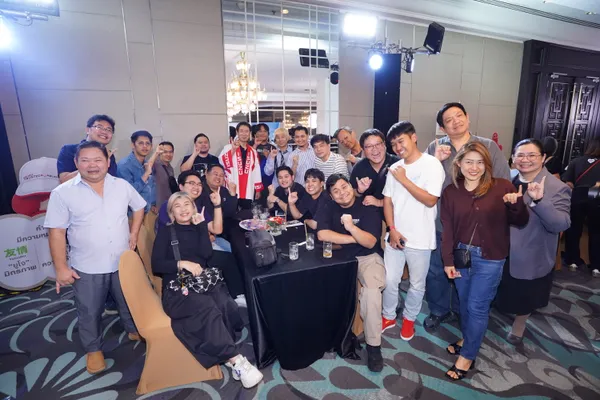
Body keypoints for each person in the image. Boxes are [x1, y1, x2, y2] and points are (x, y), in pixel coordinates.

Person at [44, 141, 145, 374]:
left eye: (98, 160)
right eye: (85, 160)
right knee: (89, 310)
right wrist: (61, 268)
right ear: (76, 163)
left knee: (128, 300)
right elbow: (56, 232)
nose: (92, 165)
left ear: (107, 162)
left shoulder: (121, 186)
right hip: (87, 265)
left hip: (122, 260)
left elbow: (139, 207)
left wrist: (134, 233)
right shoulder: (62, 193)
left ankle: (132, 328)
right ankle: (93, 349)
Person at [151, 192, 263, 389]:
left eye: (187, 204)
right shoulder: (166, 232)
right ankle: (236, 361)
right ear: (171, 213)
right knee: (207, 306)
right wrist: (181, 263)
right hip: (177, 290)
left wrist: (202, 226)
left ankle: (225, 352)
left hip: (200, 284)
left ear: (193, 208)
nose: (183, 209)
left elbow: (206, 255)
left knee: (225, 303)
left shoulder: (198, 227)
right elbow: (156, 264)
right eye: (178, 206)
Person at [440, 142, 528, 380]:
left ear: (487, 165)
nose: (474, 167)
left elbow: (521, 221)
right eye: (469, 161)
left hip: (491, 258)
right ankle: (468, 338)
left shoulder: (502, 187)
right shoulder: (451, 192)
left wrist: (516, 204)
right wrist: (447, 261)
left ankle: (467, 356)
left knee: (477, 307)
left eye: (480, 162)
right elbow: (448, 230)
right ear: (459, 163)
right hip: (461, 255)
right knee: (465, 303)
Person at [423, 102, 511, 331]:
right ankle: (438, 310)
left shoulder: (488, 146)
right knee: (437, 269)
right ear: (442, 128)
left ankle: (464, 311)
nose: (455, 122)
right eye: (448, 120)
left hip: (475, 226)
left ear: (467, 117)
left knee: (468, 271)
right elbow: (423, 183)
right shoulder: (435, 147)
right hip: (443, 222)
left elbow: (503, 182)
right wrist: (435, 161)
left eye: (459, 115)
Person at [496, 139, 571, 344]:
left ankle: (519, 324)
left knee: (526, 294)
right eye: (520, 155)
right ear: (513, 158)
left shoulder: (556, 187)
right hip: (502, 246)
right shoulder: (506, 180)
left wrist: (539, 200)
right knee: (502, 287)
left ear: (543, 158)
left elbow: (561, 224)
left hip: (531, 251)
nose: (525, 160)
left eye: (532, 155)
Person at [381, 122, 445, 340]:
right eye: (394, 144)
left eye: (401, 141)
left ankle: (409, 320)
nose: (398, 148)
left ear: (414, 137)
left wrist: (404, 180)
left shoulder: (432, 164)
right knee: (390, 280)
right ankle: (388, 316)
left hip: (421, 237)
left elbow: (430, 200)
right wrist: (392, 229)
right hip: (395, 235)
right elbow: (387, 201)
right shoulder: (394, 168)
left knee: (417, 284)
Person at [315, 174, 385, 372]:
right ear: (331, 196)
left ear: (351, 186)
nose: (342, 193)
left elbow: (370, 242)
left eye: (344, 187)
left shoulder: (367, 205)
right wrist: (354, 237)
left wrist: (351, 227)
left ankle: (373, 346)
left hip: (367, 258)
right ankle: (327, 336)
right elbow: (322, 234)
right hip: (337, 258)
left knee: (372, 292)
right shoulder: (328, 206)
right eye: (336, 191)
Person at [562, 137, 600, 273]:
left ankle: (572, 261)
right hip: (597, 198)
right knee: (596, 231)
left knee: (574, 229)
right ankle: (596, 266)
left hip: (578, 196)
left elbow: (568, 182)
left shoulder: (576, 161)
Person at [57, 114, 118, 183]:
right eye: (99, 127)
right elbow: (64, 180)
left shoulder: (109, 155)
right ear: (88, 130)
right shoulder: (69, 150)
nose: (104, 132)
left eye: (109, 129)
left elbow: (112, 182)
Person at [350, 129, 400, 210]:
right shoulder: (359, 167)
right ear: (363, 150)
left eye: (378, 144)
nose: (375, 149)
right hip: (368, 214)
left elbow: (406, 197)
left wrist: (379, 202)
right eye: (369, 146)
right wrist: (359, 191)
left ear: (384, 145)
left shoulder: (397, 164)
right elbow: (352, 192)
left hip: (395, 213)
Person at [219, 122, 263, 209]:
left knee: (246, 213)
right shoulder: (228, 147)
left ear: (250, 133)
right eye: (241, 131)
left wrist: (257, 189)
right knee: (231, 212)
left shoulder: (253, 151)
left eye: (246, 131)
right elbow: (222, 162)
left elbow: (256, 170)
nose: (244, 134)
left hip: (248, 188)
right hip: (232, 187)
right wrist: (233, 150)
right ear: (237, 132)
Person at [117, 130, 161, 214]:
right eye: (141, 143)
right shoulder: (124, 165)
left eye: (147, 143)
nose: (145, 146)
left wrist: (153, 204)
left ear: (151, 146)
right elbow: (128, 193)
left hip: (147, 212)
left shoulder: (146, 163)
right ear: (133, 145)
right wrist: (146, 174)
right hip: (131, 215)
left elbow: (150, 187)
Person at [153, 141, 176, 207]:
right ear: (159, 152)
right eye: (165, 152)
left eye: (170, 152)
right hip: (156, 206)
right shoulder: (154, 164)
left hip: (168, 204)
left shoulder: (170, 168)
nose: (168, 154)